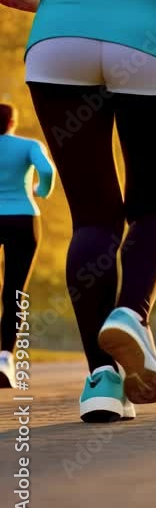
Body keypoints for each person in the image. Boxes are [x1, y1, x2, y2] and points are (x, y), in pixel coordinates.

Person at [3, 0, 156, 421]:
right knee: (152, 205)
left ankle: (101, 380)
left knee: (93, 218)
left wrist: (71, 5)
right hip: (152, 37)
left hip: (59, 42)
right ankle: (129, 314)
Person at [0, 104, 53, 388]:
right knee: (14, 290)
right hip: (23, 218)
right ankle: (5, 357)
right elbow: (46, 170)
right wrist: (41, 191)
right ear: (12, 122)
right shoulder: (29, 145)